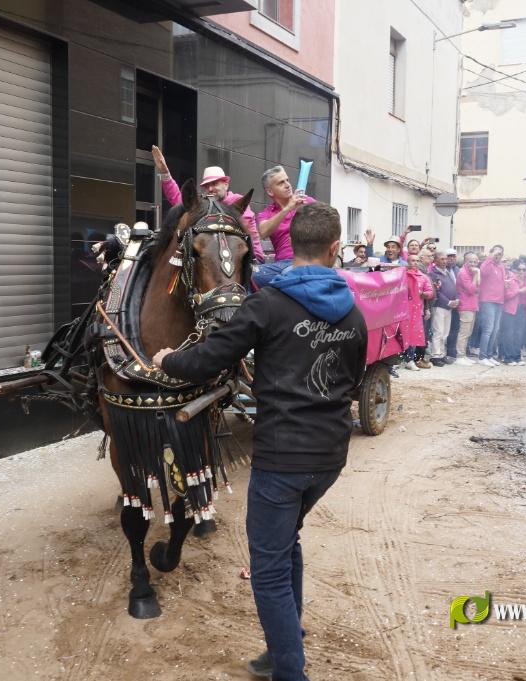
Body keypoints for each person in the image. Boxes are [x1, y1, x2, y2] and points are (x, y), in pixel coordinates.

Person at [152, 203, 367, 681]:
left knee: (268, 569)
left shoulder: (267, 304)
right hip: (330, 458)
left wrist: (168, 359)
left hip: (281, 460)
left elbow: (209, 358)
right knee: (285, 543)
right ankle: (284, 643)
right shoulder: (353, 313)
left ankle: (290, 671)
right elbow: (352, 379)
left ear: (294, 247)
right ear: (335, 249)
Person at [152, 147, 264, 264]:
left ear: (226, 184)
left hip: (248, 261)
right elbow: (179, 200)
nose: (210, 189)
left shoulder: (237, 203)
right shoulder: (206, 205)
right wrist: (165, 173)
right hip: (217, 260)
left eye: (214, 183)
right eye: (206, 186)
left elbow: (237, 238)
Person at [254, 165, 315, 287]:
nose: (287, 185)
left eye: (287, 180)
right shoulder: (266, 213)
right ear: (270, 191)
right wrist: (288, 208)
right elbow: (263, 232)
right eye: (281, 183)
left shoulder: (306, 201)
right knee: (250, 275)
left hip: (310, 259)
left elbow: (329, 219)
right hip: (284, 263)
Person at [403, 253, 434, 371]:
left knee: (414, 336)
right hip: (404, 310)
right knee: (402, 335)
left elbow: (430, 291)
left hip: (416, 311)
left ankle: (410, 359)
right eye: (412, 261)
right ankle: (402, 359)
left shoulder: (423, 277)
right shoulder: (403, 276)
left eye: (416, 261)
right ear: (408, 262)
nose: (415, 263)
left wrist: (424, 294)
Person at [477, 245, 507, 367]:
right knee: (488, 329)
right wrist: (490, 258)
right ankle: (482, 356)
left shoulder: (501, 266)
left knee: (495, 330)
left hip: (499, 301)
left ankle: (489, 355)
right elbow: (483, 273)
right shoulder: (486, 264)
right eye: (496, 253)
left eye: (500, 254)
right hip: (487, 300)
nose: (498, 256)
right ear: (491, 253)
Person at [428, 252, 458, 367]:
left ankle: (441, 354)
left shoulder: (447, 272)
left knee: (445, 332)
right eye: (441, 259)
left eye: (445, 259)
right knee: (438, 331)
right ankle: (435, 355)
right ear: (435, 260)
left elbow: (454, 287)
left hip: (449, 307)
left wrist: (456, 300)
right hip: (439, 305)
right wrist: (448, 302)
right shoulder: (433, 274)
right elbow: (437, 292)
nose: (445, 261)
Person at [498, 260, 526, 365]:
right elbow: (506, 296)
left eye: (524, 269)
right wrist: (519, 291)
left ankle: (517, 357)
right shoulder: (510, 281)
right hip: (510, 310)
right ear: (516, 270)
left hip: (522, 310)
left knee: (518, 335)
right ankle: (508, 357)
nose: (521, 271)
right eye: (519, 269)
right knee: (508, 334)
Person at [453, 252, 480, 366]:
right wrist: (477, 273)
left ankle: (463, 355)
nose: (473, 264)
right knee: (464, 333)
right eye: (470, 261)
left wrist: (476, 274)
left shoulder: (471, 272)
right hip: (465, 306)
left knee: (468, 332)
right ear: (465, 261)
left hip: (472, 305)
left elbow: (479, 285)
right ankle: (459, 356)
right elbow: (471, 289)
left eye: (475, 261)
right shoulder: (463, 273)